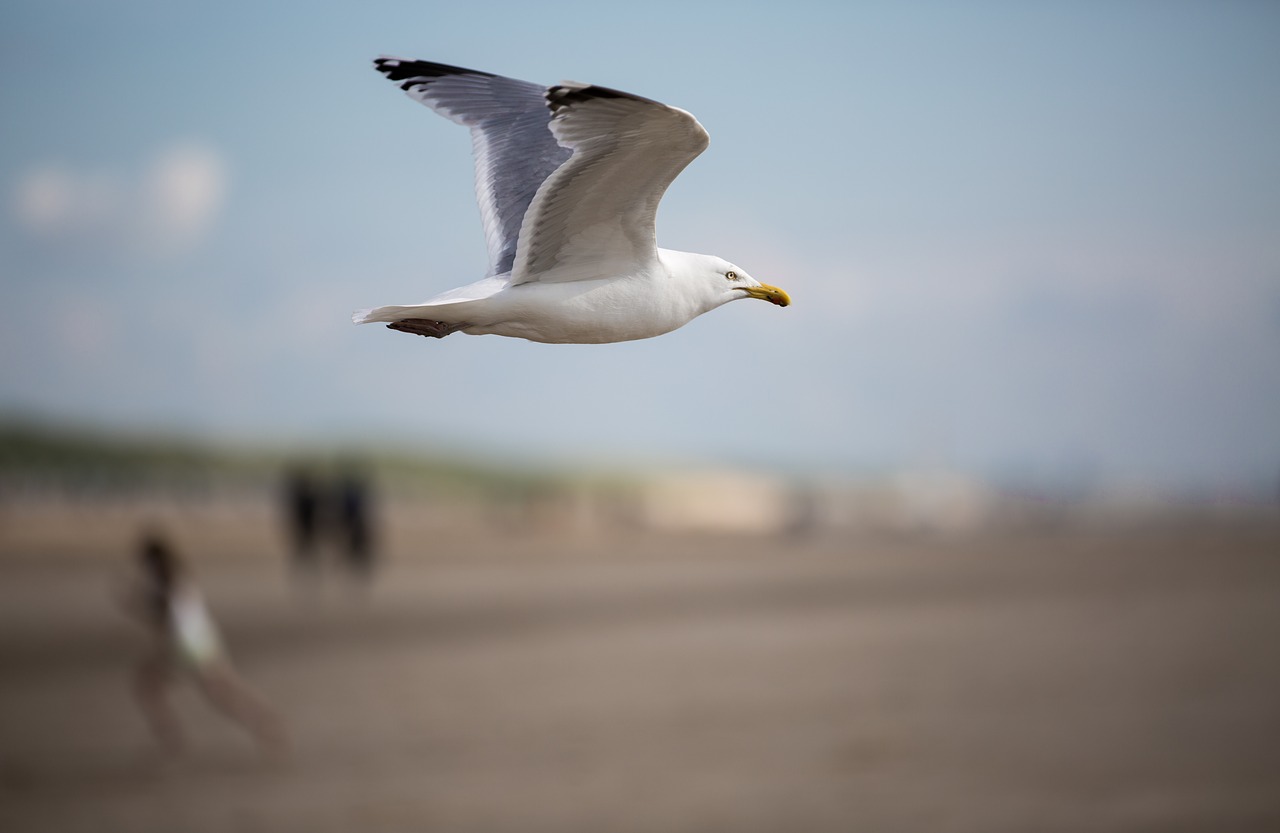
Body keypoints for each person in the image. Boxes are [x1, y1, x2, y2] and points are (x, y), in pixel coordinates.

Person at [122, 533, 287, 757]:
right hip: (197, 642)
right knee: (219, 694)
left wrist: (132, 604)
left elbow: (164, 618)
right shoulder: (178, 578)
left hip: (187, 646)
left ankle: (265, 722)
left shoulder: (168, 583)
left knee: (221, 695)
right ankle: (171, 736)